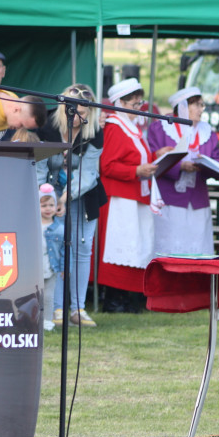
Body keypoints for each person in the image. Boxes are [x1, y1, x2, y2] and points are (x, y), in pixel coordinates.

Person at [36, 84, 105, 327]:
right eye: (74, 111)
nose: (78, 117)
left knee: (82, 250)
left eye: (84, 113)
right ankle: (56, 309)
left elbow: (88, 175)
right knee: (55, 248)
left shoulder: (94, 132)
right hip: (49, 193)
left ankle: (78, 308)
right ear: (64, 107)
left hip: (84, 196)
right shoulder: (48, 127)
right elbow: (40, 167)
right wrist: (47, 200)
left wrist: (64, 199)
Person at [97, 78, 158, 301]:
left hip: (135, 194)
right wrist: (135, 171)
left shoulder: (130, 127)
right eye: (134, 104)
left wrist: (157, 157)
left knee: (136, 245)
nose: (138, 108)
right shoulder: (115, 127)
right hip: (120, 197)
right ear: (120, 103)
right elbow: (107, 165)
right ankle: (116, 298)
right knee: (121, 246)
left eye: (140, 103)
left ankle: (133, 296)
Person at [147, 87, 219, 256]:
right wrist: (180, 166)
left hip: (197, 200)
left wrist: (208, 166)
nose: (201, 109)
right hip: (169, 199)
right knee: (170, 247)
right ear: (183, 107)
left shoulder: (207, 132)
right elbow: (152, 160)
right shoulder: (161, 128)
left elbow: (217, 160)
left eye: (202, 105)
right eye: (196, 105)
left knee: (197, 248)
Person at [38, 183, 63, 332]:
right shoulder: (33, 225)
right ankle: (33, 320)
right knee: (34, 296)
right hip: (35, 267)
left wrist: (65, 268)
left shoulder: (59, 228)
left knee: (48, 296)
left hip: (51, 266)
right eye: (44, 205)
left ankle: (47, 320)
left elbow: (66, 251)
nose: (48, 209)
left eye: (51, 205)